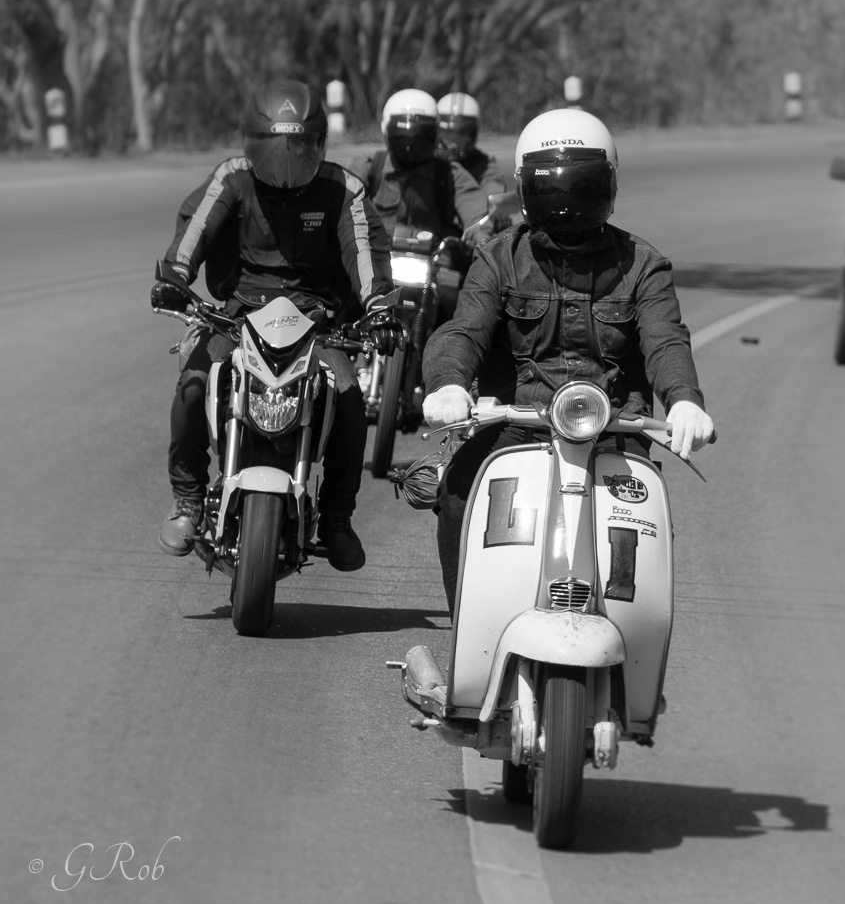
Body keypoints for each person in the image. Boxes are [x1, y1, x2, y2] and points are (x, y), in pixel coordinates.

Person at [420, 108, 715, 610]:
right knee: (457, 493)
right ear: (526, 187)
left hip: (616, 428)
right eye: (552, 186)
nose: (566, 202)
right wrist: (448, 383)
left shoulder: (644, 266)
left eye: (580, 184)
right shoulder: (497, 258)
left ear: (608, 184)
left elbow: (666, 340)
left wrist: (685, 401)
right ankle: (467, 633)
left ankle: (632, 649)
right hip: (516, 424)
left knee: (648, 526)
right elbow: (463, 330)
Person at [151, 78, 398, 571]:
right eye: (275, 148)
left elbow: (365, 252)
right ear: (252, 144)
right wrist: (175, 277)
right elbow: (193, 233)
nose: (288, 162)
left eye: (301, 147)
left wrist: (379, 307)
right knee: (194, 388)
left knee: (349, 401)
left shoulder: (342, 189)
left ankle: (337, 518)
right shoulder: (232, 177)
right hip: (236, 315)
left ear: (319, 145)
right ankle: (189, 500)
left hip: (314, 320)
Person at [352, 89, 492, 322]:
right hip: (374, 263)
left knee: (465, 307)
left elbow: (476, 213)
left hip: (434, 266)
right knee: (342, 299)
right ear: (386, 133)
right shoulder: (368, 168)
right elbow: (341, 203)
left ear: (436, 133)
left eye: (421, 137)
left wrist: (485, 239)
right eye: (403, 137)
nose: (411, 147)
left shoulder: (449, 174)